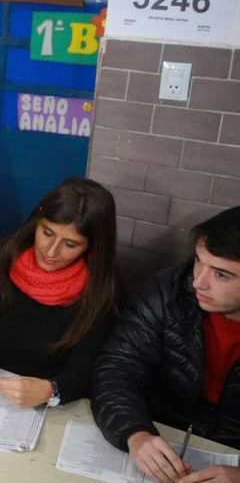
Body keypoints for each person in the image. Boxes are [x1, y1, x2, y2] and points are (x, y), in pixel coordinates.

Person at [0, 177, 120, 408]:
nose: (51, 251)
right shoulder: (0, 258)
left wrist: (52, 389)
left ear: (91, 246)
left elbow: (88, 375)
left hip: (46, 407)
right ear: (37, 222)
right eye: (47, 232)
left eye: (70, 244)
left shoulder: (100, 294)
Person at [92, 206, 240, 483]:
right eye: (198, 260)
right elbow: (118, 366)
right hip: (162, 430)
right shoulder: (169, 288)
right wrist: (135, 433)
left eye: (222, 274)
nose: (199, 282)